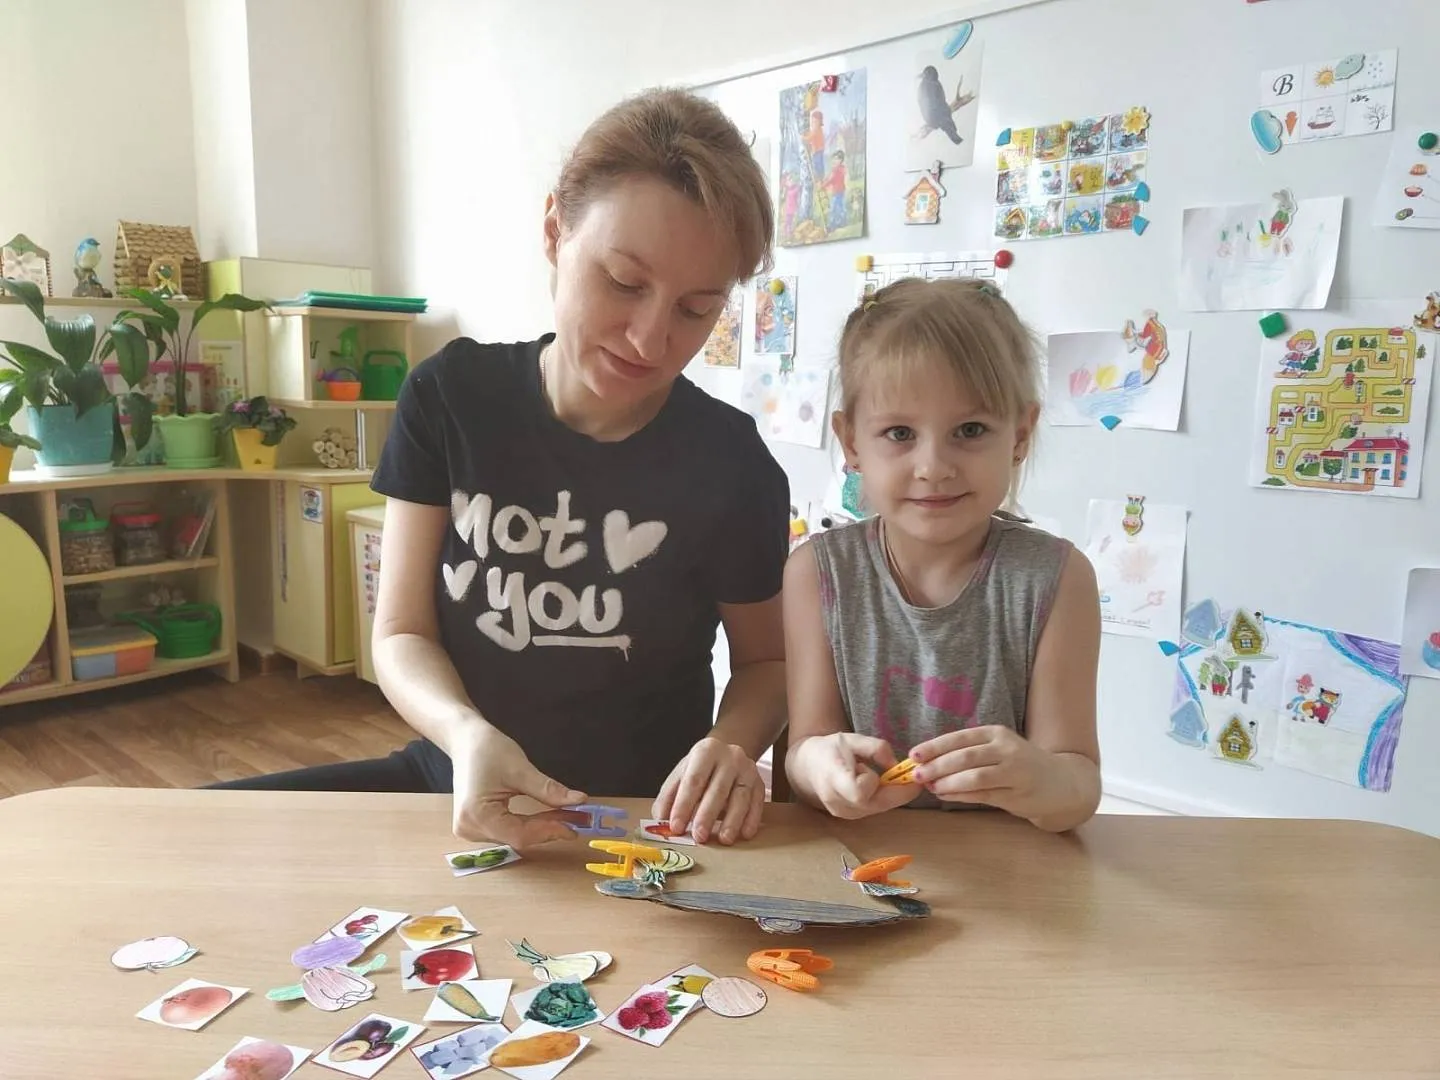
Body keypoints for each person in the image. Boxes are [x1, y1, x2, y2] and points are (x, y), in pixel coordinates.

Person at [220, 89, 791, 851]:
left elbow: (766, 663)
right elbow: (400, 632)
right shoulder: (451, 396)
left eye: (696, 309)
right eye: (624, 282)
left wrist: (730, 744)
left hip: (643, 821)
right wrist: (464, 735)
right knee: (196, 839)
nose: (650, 339)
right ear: (555, 230)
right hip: (452, 782)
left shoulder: (730, 461)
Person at [782, 277, 1101, 832]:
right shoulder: (816, 574)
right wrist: (817, 768)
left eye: (970, 430)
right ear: (851, 442)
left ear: (1020, 435)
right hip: (859, 856)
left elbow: (1077, 788)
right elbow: (804, 752)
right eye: (899, 433)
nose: (933, 467)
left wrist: (1042, 780)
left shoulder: (1057, 579)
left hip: (1008, 864)